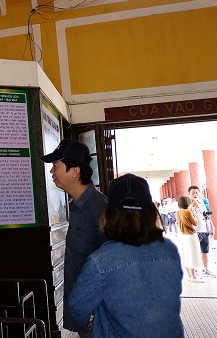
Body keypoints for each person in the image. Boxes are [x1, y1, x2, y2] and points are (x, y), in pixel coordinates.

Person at [68, 174, 184, 338]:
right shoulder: (169, 251)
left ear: (109, 215)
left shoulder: (101, 261)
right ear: (151, 211)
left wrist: (90, 321)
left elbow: (77, 305)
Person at [40, 139, 107, 338]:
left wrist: (97, 310)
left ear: (75, 171)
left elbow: (111, 266)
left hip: (97, 314)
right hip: (86, 310)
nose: (52, 172)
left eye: (56, 166)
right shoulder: (77, 206)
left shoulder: (99, 209)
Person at [188, 185, 216, 278]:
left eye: (196, 193)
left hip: (205, 230)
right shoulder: (188, 204)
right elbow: (187, 215)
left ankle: (205, 269)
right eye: (193, 193)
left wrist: (211, 227)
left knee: (205, 250)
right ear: (189, 194)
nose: (195, 194)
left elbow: (207, 216)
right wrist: (192, 206)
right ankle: (194, 270)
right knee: (195, 251)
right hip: (196, 231)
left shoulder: (202, 203)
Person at [176, 196, 204, 282]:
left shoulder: (177, 212)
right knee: (192, 255)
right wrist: (193, 213)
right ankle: (194, 277)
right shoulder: (187, 212)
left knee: (186, 255)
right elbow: (195, 223)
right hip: (190, 235)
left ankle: (189, 276)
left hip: (183, 236)